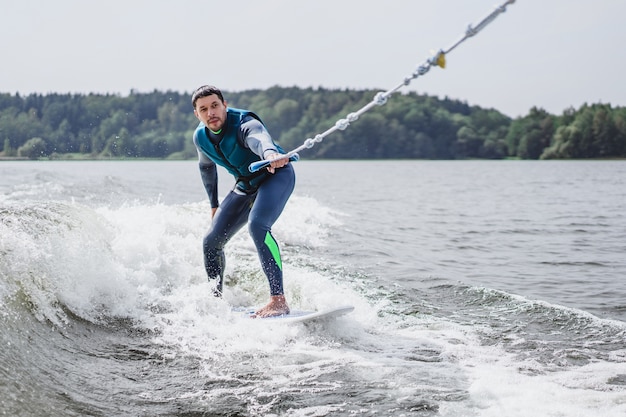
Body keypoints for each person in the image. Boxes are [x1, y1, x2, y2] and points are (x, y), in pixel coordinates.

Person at [191, 85, 295, 318]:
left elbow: (259, 138)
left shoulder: (243, 123)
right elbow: (206, 167)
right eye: (204, 109)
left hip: (275, 175)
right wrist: (213, 204)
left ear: (225, 105)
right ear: (197, 115)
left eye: (215, 106)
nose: (211, 113)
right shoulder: (200, 137)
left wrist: (270, 155)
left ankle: (278, 300)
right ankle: (215, 303)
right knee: (211, 242)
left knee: (257, 226)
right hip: (245, 184)